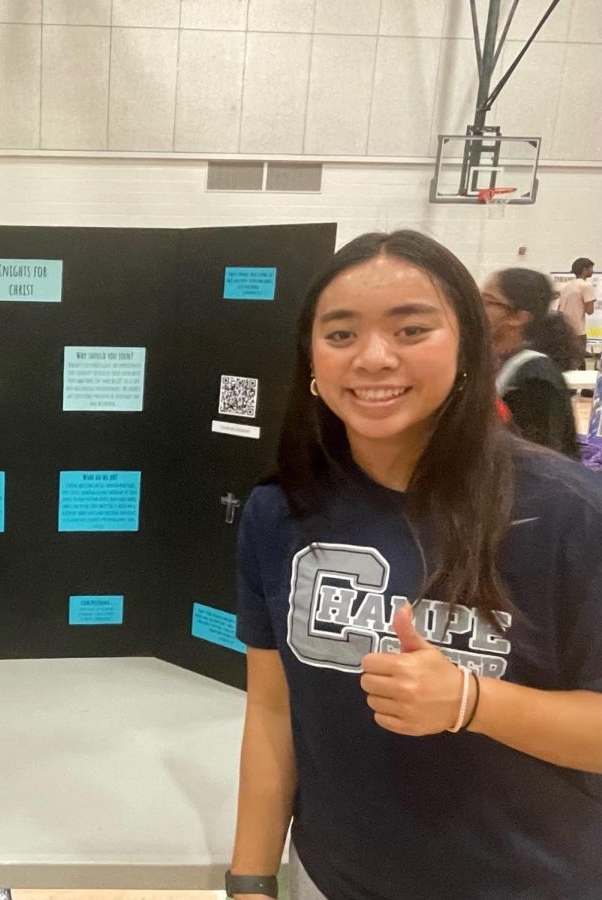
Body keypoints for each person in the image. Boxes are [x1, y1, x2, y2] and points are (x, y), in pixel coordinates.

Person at [227, 230, 602, 900]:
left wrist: (470, 699)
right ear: (311, 358)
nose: (373, 358)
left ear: (467, 346)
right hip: (330, 880)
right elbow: (272, 708)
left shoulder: (571, 513)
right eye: (341, 335)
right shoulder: (281, 510)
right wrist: (251, 879)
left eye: (411, 330)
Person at [482, 267, 579, 457]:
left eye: (487, 301)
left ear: (518, 317)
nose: (477, 307)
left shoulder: (536, 380)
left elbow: (541, 461)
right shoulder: (494, 362)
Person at [556, 256, 595, 369]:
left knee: (569, 362)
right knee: (580, 361)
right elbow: (590, 311)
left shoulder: (567, 285)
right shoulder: (586, 285)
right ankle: (584, 386)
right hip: (578, 330)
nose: (592, 271)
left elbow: (559, 308)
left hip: (565, 329)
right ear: (584, 269)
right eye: (591, 268)